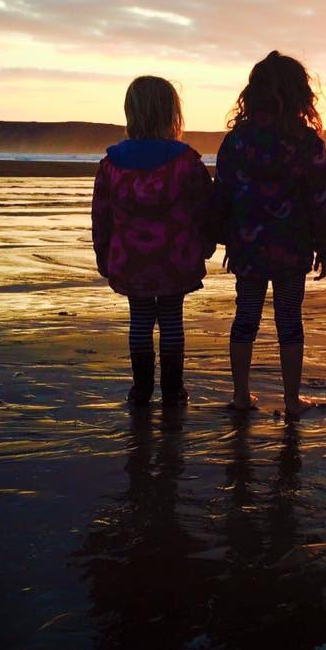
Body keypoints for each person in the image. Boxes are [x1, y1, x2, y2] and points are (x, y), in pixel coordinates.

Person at [211, 51, 326, 418]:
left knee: (245, 316)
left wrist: (218, 236)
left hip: (247, 244)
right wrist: (325, 244)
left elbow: (222, 193)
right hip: (292, 245)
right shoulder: (306, 143)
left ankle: (240, 394)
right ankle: (291, 399)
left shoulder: (237, 141)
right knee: (289, 320)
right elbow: (321, 197)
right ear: (299, 94)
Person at [92, 76, 213, 406]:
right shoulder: (186, 161)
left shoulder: (111, 164)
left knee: (141, 320)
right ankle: (173, 389)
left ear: (131, 112)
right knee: (172, 318)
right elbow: (204, 207)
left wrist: (103, 253)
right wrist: (207, 243)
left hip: (131, 259)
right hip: (176, 257)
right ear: (172, 114)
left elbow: (101, 215)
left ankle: (141, 388)